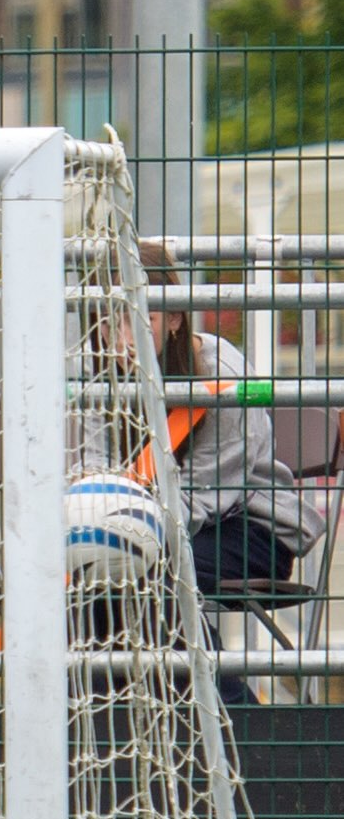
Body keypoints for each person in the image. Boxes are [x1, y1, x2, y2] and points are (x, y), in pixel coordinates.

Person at [137, 247, 325, 705]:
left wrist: (118, 530)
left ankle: (234, 712)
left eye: (140, 321)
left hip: (251, 528)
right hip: (150, 525)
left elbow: (205, 497)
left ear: (176, 320)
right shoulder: (97, 371)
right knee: (101, 576)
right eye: (106, 320)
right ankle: (115, 718)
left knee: (143, 572)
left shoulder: (221, 373)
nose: (119, 336)